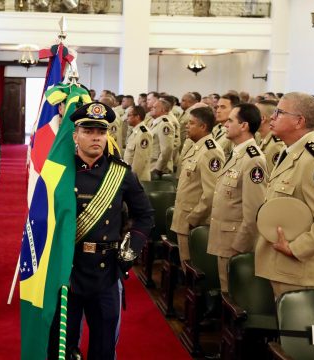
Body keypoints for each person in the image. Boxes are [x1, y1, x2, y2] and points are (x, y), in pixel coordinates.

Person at [48, 101, 153, 360]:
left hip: (105, 271)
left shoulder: (121, 174)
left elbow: (145, 216)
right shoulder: (59, 172)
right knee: (61, 347)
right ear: (75, 135)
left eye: (101, 132)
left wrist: (130, 252)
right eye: (88, 131)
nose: (96, 137)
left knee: (104, 347)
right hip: (66, 271)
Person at [255, 92, 314, 299]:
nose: (272, 117)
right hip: (282, 266)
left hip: (297, 270)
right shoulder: (291, 152)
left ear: (299, 121)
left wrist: (295, 249)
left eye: (279, 112)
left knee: (290, 331)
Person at [207, 103, 267, 292]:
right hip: (224, 237)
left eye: (230, 120)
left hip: (235, 243)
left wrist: (239, 247)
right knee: (225, 292)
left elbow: (254, 211)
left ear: (244, 126)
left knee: (231, 295)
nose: (225, 124)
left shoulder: (253, 159)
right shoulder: (237, 153)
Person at [171, 107, 224, 271]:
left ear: (203, 126)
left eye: (191, 123)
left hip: (194, 221)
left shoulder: (211, 151)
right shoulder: (197, 147)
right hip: (185, 216)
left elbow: (211, 193)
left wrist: (193, 219)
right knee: (185, 264)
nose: (187, 126)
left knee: (191, 268)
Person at [123, 105, 153, 181]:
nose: (127, 118)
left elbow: (140, 160)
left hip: (138, 178)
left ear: (137, 117)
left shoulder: (144, 133)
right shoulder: (136, 131)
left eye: (129, 115)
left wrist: (132, 178)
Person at [256, 100, 284, 173]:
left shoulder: (275, 145)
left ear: (262, 119)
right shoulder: (260, 138)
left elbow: (269, 178)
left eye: (253, 114)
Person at [149, 99, 175, 178]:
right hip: (151, 166)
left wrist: (158, 169)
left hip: (157, 169)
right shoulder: (156, 122)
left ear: (163, 110)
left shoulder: (165, 124)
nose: (151, 109)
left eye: (154, 107)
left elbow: (167, 148)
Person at [212, 93, 240, 160]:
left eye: (223, 107)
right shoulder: (216, 128)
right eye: (217, 107)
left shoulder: (235, 132)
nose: (218, 111)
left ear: (234, 110)